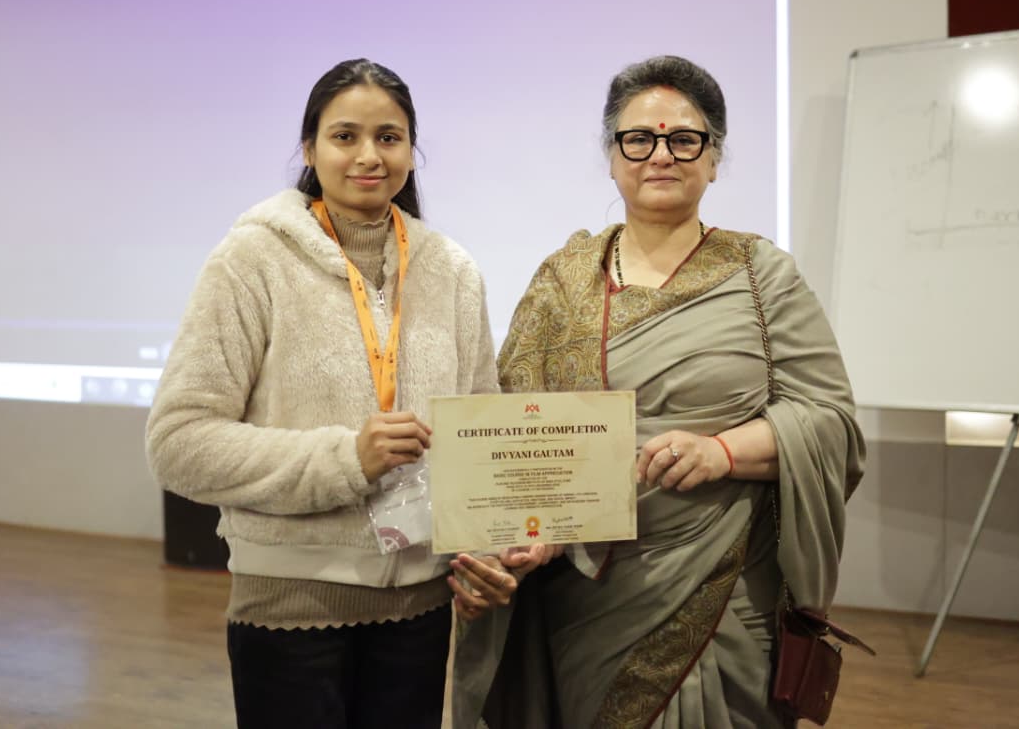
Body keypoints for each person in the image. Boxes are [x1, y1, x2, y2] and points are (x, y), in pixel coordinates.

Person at [451, 55, 866, 728]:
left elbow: (830, 423)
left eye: (685, 140)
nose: (661, 155)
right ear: (613, 157)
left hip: (728, 590)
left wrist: (722, 452)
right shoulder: (562, 281)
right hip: (589, 600)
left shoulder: (763, 278)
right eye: (639, 139)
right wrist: (525, 537)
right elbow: (514, 437)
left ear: (714, 158)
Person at [146, 58, 518, 729]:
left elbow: (479, 438)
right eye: (345, 136)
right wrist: (347, 459)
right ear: (310, 150)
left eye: (389, 137)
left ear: (411, 151)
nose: (369, 155)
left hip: (421, 609)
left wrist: (485, 554)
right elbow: (178, 443)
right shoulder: (251, 260)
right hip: (290, 608)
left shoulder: (454, 271)